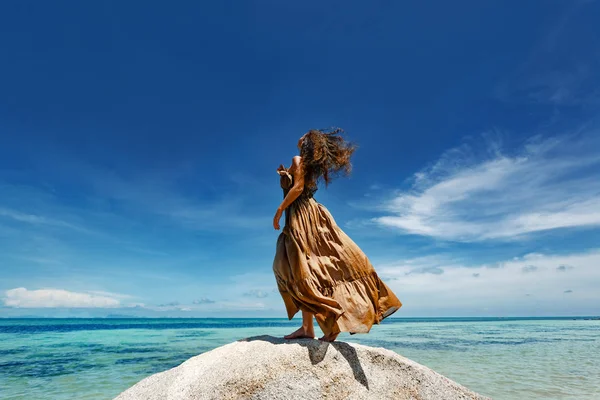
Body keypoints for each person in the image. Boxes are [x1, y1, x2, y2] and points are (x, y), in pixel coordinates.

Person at [272, 128, 402, 342]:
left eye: (304, 136)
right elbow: (297, 184)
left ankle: (316, 326)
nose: (300, 136)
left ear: (306, 143)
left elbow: (298, 189)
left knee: (294, 267)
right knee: (305, 269)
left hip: (302, 216)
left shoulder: (297, 159)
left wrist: (278, 210)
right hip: (312, 214)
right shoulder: (304, 164)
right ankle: (309, 328)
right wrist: (285, 175)